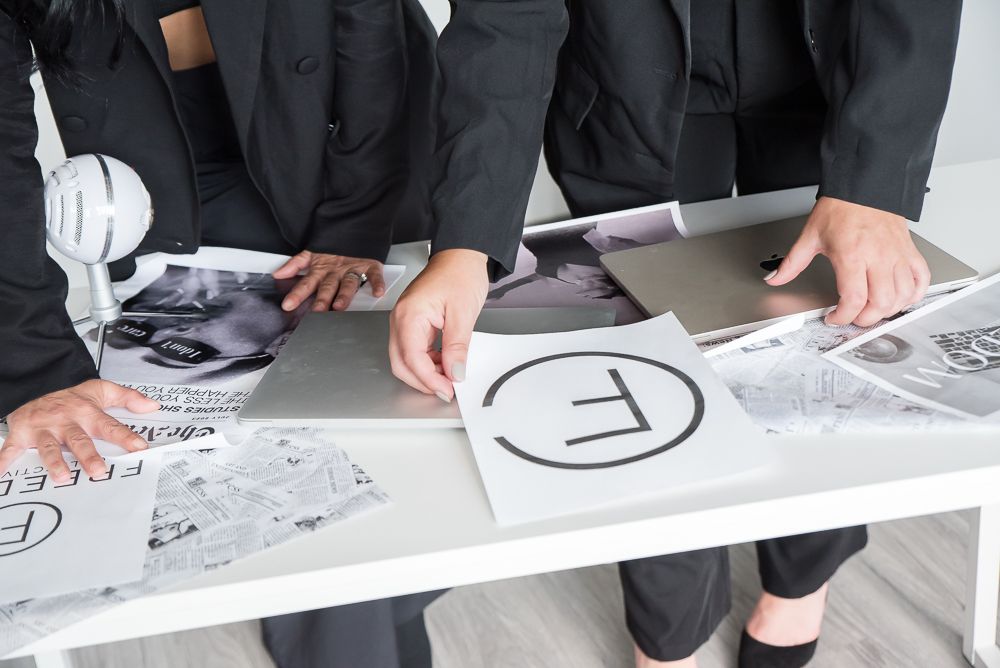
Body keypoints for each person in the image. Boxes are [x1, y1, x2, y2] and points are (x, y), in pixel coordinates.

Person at [390, 1, 962, 666]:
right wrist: (465, 243)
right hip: (625, 87)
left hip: (827, 68)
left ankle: (804, 574)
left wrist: (872, 182)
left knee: (831, 340)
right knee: (643, 377)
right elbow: (505, 20)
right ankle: (670, 634)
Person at [0, 1, 440, 667]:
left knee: (405, 438)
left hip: (349, 135)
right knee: (293, 472)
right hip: (152, 174)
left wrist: (355, 219)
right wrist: (34, 363)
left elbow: (369, 22)